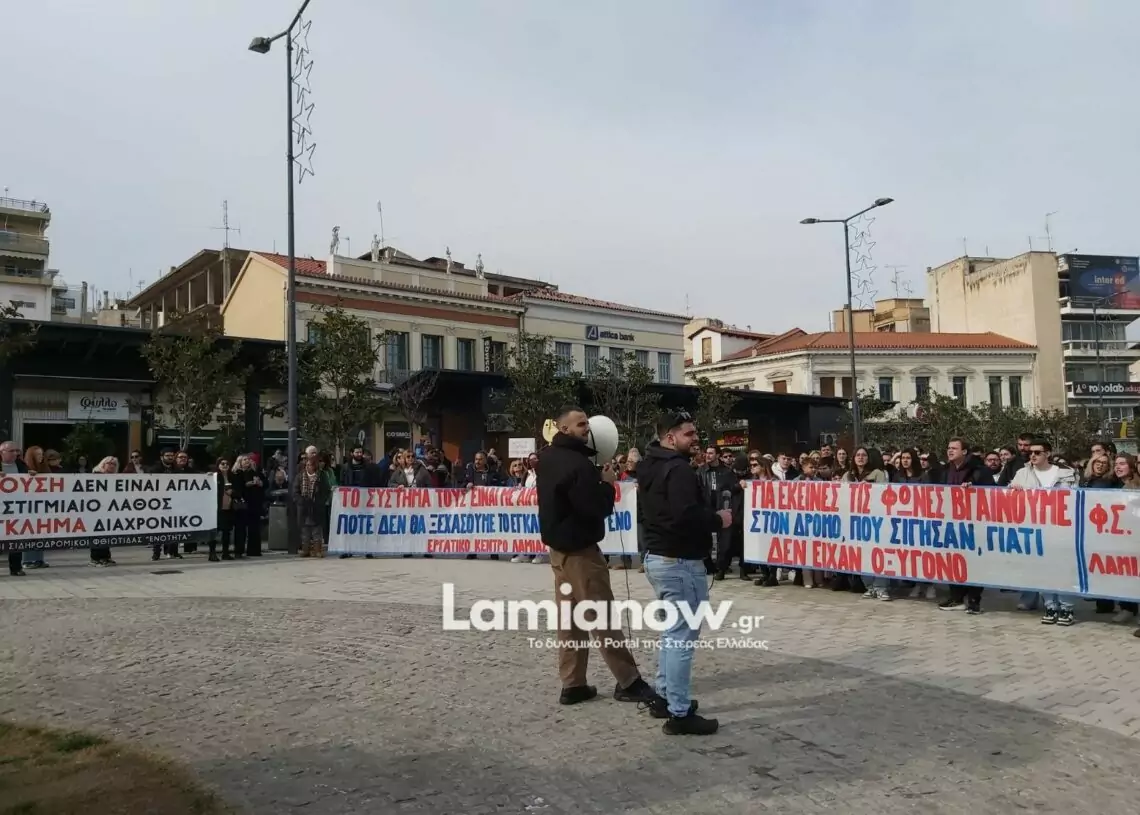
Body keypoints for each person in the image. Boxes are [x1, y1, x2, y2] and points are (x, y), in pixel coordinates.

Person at [536, 405, 658, 710]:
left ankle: (573, 683)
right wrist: (606, 484)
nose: (587, 429)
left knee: (570, 621)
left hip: (559, 552)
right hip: (581, 553)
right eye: (581, 425)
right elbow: (595, 507)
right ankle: (628, 681)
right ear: (564, 428)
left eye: (586, 424)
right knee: (602, 617)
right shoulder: (577, 464)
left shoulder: (548, 457)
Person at [639, 410, 732, 736]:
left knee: (672, 633)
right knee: (681, 638)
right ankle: (678, 714)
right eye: (688, 434)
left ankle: (665, 696)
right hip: (678, 561)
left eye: (695, 433)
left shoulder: (650, 464)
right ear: (670, 437)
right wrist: (718, 520)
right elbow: (685, 515)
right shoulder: (677, 469)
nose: (695, 439)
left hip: (660, 558)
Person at [1010, 438, 1078, 625]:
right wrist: (1013, 489)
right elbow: (1009, 498)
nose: (1032, 455)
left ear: (1047, 454)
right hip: (1035, 528)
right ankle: (1050, 605)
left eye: (1037, 452)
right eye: (1030, 452)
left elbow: (1075, 498)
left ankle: (1066, 608)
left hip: (1061, 528)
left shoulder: (1066, 474)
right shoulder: (1022, 473)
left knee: (1063, 569)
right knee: (1042, 568)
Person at [1, 440, 29, 576]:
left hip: (16, 508)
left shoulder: (21, 465)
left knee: (16, 538)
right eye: (11, 451)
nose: (15, 453)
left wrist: (32, 476)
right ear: (2, 452)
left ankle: (16, 568)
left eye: (17, 451)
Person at [89, 457, 120, 565]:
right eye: (109, 463)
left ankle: (105, 556)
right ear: (103, 464)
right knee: (97, 534)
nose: (112, 466)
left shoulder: (115, 478)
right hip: (96, 510)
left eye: (114, 464)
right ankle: (95, 558)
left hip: (109, 509)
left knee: (106, 534)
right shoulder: (96, 475)